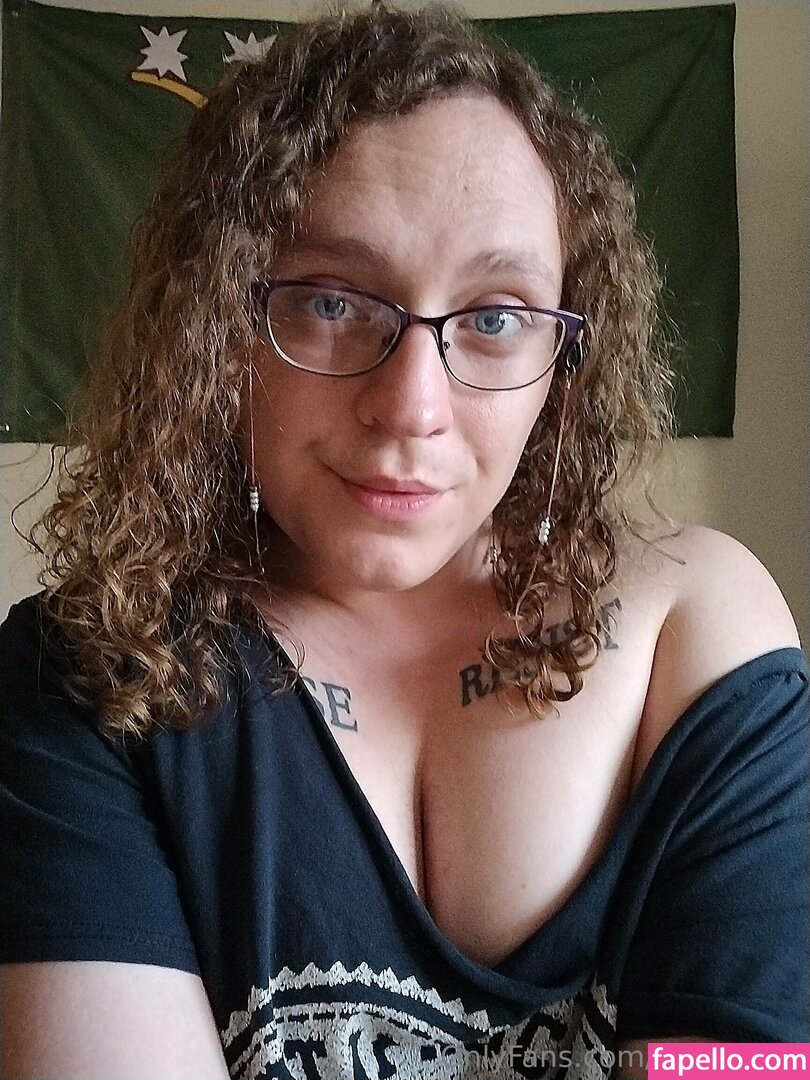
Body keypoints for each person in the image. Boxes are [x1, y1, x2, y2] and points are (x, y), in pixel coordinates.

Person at [0, 6, 806, 1078]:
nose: (411, 407)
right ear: (216, 326)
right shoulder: (87, 672)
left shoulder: (691, 630)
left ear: (568, 359)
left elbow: (746, 1063)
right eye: (333, 302)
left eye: (495, 317)